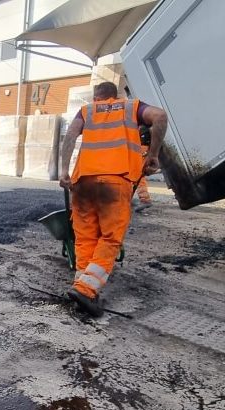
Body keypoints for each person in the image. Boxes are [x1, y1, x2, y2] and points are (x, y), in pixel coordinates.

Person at [59, 81, 167, 317]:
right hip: (115, 181)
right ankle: (86, 289)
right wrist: (153, 155)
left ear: (97, 97)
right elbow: (159, 116)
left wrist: (64, 170)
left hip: (82, 182)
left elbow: (70, 134)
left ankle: (83, 286)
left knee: (85, 237)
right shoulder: (131, 107)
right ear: (114, 96)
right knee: (109, 238)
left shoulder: (87, 110)